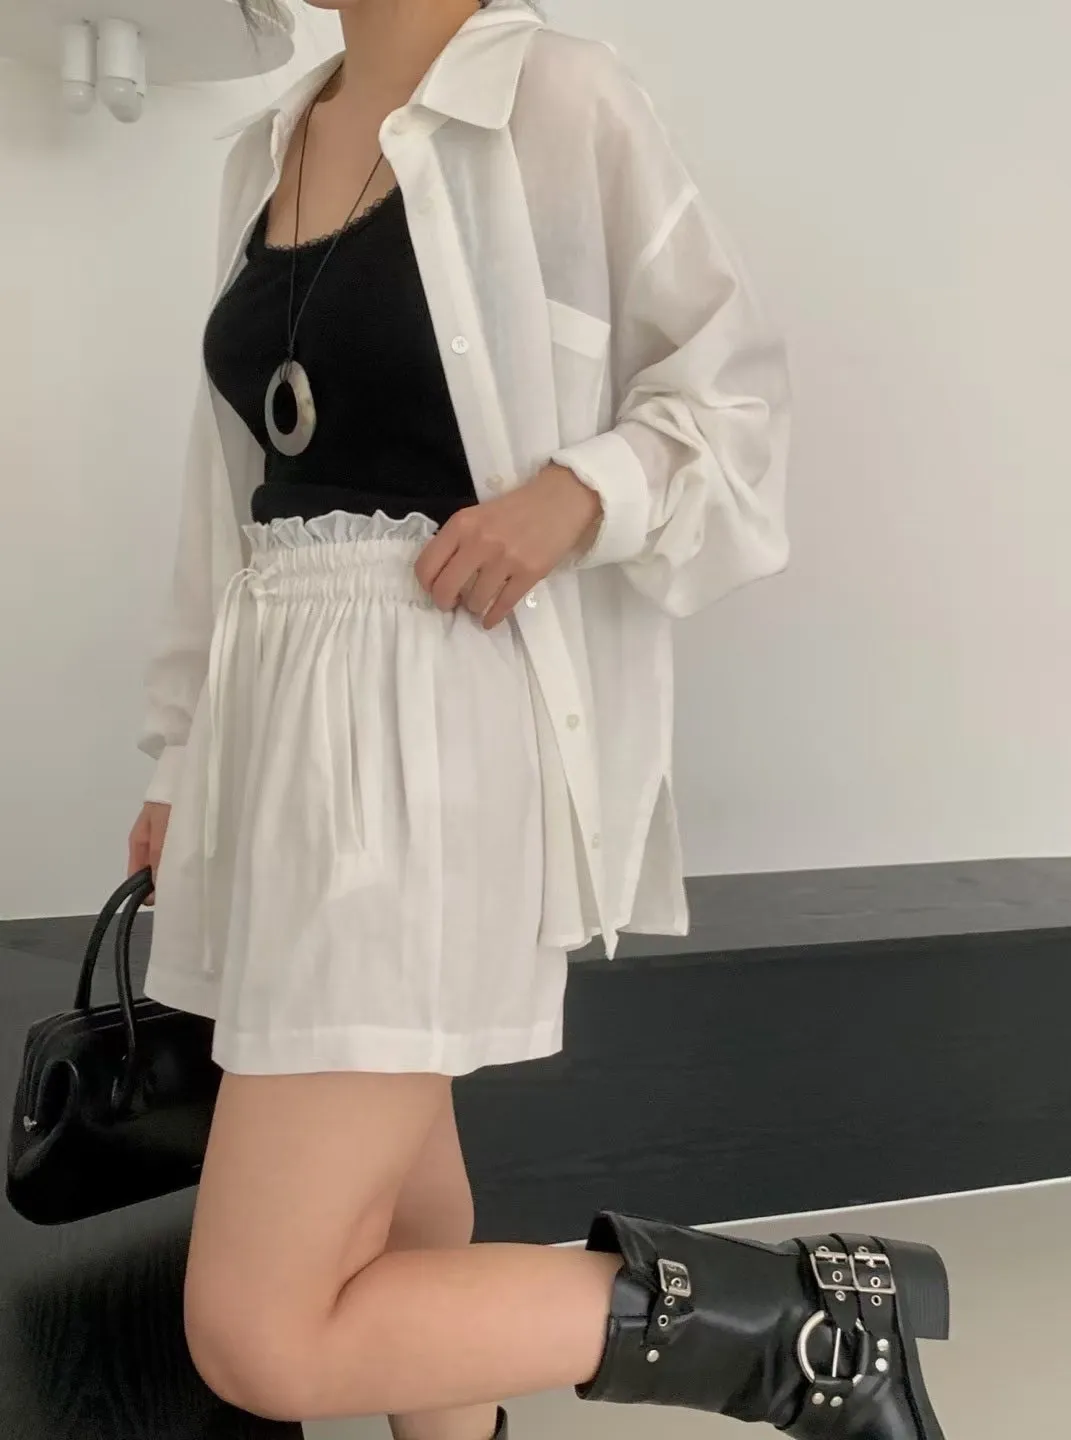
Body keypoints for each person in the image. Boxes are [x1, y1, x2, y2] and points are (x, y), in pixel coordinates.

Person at [127, 1, 952, 1437]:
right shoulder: (271, 144)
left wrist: (579, 496)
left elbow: (734, 402)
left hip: (433, 729)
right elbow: (227, 508)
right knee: (403, 1210)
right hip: (278, 736)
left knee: (260, 1333)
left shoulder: (560, 100)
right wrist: (181, 752)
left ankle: (804, 1330)